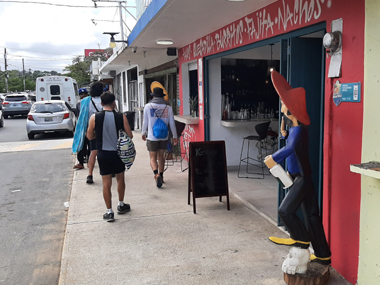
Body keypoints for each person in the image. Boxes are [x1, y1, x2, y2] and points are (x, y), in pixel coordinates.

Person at [264, 71, 331, 265]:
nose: (282, 106)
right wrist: (285, 135)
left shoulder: (298, 130)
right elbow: (293, 147)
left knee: (285, 211)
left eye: (284, 104)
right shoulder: (295, 130)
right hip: (300, 175)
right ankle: (323, 254)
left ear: (291, 110)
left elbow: (291, 148)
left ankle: (301, 238)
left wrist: (273, 159)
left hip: (301, 177)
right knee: (311, 215)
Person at [86, 92, 133, 222]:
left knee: (106, 183)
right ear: (114, 103)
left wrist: (98, 136)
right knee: (120, 179)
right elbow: (130, 135)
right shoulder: (121, 116)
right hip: (118, 153)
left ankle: (109, 212)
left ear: (101, 103)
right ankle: (121, 205)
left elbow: (89, 136)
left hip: (103, 154)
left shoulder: (94, 118)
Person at [142, 87, 178, 188]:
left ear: (153, 96)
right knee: (161, 156)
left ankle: (156, 174)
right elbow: (172, 123)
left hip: (152, 136)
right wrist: (175, 136)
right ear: (162, 96)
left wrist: (143, 133)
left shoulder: (148, 106)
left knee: (153, 158)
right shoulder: (168, 107)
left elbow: (145, 122)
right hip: (164, 136)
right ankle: (161, 176)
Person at [86, 82, 104, 184]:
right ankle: (110, 171)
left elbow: (84, 117)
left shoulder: (87, 102)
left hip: (92, 129)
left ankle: (90, 174)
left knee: (93, 152)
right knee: (107, 150)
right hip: (104, 129)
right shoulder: (104, 100)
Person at [73, 88, 89, 170]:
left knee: (90, 145)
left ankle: (89, 160)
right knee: (81, 145)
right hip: (82, 128)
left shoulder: (90, 102)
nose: (83, 95)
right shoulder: (78, 104)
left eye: (85, 94)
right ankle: (81, 162)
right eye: (81, 94)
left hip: (90, 126)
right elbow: (78, 116)